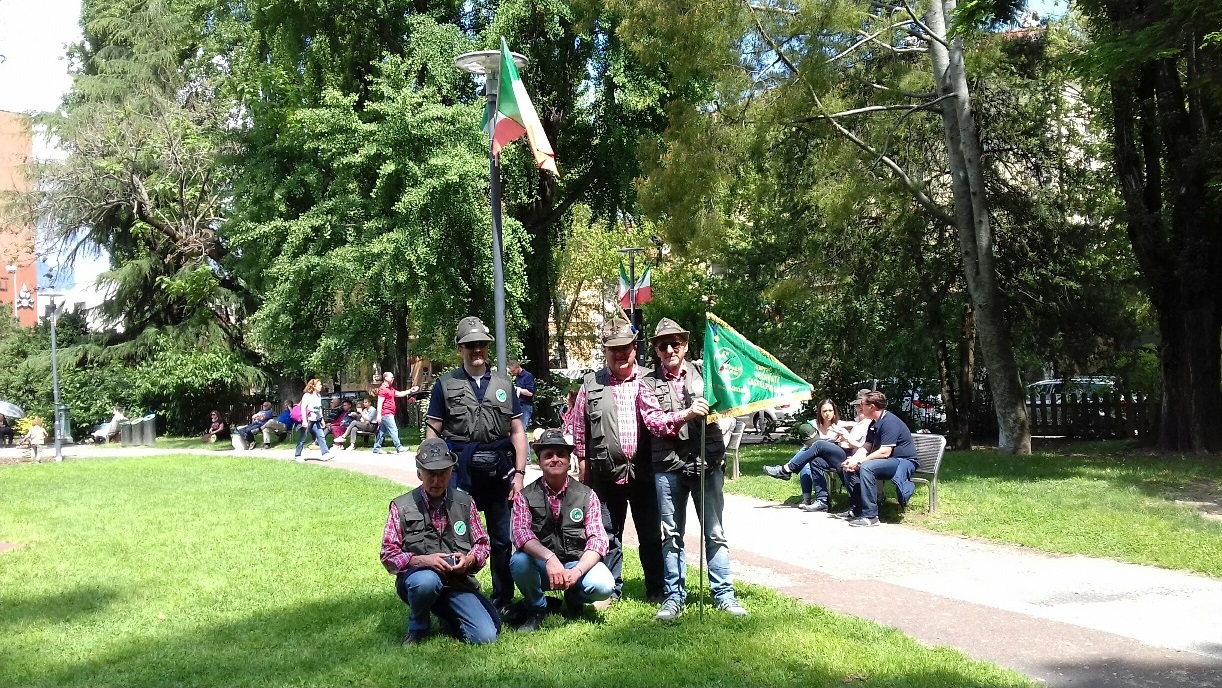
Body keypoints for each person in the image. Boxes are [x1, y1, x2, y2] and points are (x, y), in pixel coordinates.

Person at [571, 317, 701, 607]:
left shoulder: (650, 380)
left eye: (626, 348)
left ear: (635, 348)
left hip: (646, 471)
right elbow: (579, 428)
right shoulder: (591, 384)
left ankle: (656, 588)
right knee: (608, 534)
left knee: (652, 534)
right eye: (613, 349)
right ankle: (612, 589)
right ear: (605, 351)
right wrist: (582, 464)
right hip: (606, 473)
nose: (620, 354)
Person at [644, 317, 747, 620]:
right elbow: (654, 423)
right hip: (669, 468)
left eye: (675, 343)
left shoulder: (709, 373)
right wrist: (687, 414)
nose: (669, 349)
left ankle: (724, 595)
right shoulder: (648, 383)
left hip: (708, 464)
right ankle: (674, 597)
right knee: (671, 535)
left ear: (686, 345)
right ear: (656, 350)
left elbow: (733, 402)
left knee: (715, 533)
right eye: (662, 344)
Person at [426, 315, 528, 617]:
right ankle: (460, 594)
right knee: (457, 534)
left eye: (481, 344)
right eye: (470, 345)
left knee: (501, 537)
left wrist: (520, 473)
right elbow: (433, 431)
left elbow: (517, 431)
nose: (477, 350)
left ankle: (502, 597)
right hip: (459, 467)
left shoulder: (503, 384)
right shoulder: (445, 384)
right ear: (460, 348)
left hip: (499, 468)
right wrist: (433, 468)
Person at [379, 438, 500, 646]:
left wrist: (469, 560)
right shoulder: (401, 506)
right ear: (419, 473)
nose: (437, 480)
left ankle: (448, 616)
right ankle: (418, 627)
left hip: (457, 583)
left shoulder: (465, 502)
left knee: (485, 637)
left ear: (451, 472)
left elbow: (482, 544)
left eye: (443, 473)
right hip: (418, 581)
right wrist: (424, 561)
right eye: (430, 474)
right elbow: (388, 555)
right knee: (426, 582)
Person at [509, 428, 614, 631]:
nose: (555, 459)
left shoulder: (587, 495)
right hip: (542, 566)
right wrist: (549, 558)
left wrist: (577, 570)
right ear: (539, 462)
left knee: (604, 585)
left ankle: (574, 596)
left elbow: (598, 541)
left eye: (561, 454)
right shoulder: (525, 496)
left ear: (568, 459)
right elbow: (521, 534)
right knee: (519, 561)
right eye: (548, 455)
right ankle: (537, 608)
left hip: (577, 563)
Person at [762, 397, 870, 512]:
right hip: (841, 453)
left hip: (852, 456)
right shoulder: (859, 423)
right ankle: (822, 501)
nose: (858, 409)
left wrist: (846, 438)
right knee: (815, 460)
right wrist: (845, 440)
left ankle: (786, 470)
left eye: (861, 407)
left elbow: (864, 446)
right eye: (857, 407)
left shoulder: (867, 424)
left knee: (819, 444)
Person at [838, 391, 920, 527]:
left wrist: (860, 462)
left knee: (866, 467)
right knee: (848, 467)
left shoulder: (889, 422)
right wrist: (854, 460)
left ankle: (871, 516)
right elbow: (866, 446)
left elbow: (885, 452)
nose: (859, 407)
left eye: (862, 404)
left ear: (871, 407)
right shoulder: (873, 423)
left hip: (903, 462)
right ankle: (857, 509)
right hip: (887, 462)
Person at [373, 371, 419, 454]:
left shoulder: (390, 388)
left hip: (389, 413)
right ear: (386, 378)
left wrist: (410, 390)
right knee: (393, 429)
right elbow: (379, 403)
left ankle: (376, 447)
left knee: (382, 431)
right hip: (386, 413)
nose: (393, 379)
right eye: (392, 377)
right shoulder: (382, 389)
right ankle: (399, 447)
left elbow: (399, 394)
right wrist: (378, 415)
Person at [294, 378, 332, 461]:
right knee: (303, 437)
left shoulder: (318, 396)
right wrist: (304, 420)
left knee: (321, 436)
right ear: (314, 386)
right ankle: (297, 455)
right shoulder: (307, 395)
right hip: (308, 419)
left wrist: (322, 419)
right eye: (319, 385)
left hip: (316, 419)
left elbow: (319, 408)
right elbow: (303, 408)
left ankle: (325, 453)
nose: (321, 386)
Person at [508, 360, 535, 430]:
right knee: (517, 429)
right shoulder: (517, 377)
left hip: (526, 406)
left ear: (517, 367)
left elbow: (530, 393)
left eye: (513, 371)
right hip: (518, 405)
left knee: (522, 429)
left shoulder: (528, 376)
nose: (512, 373)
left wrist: (518, 389)